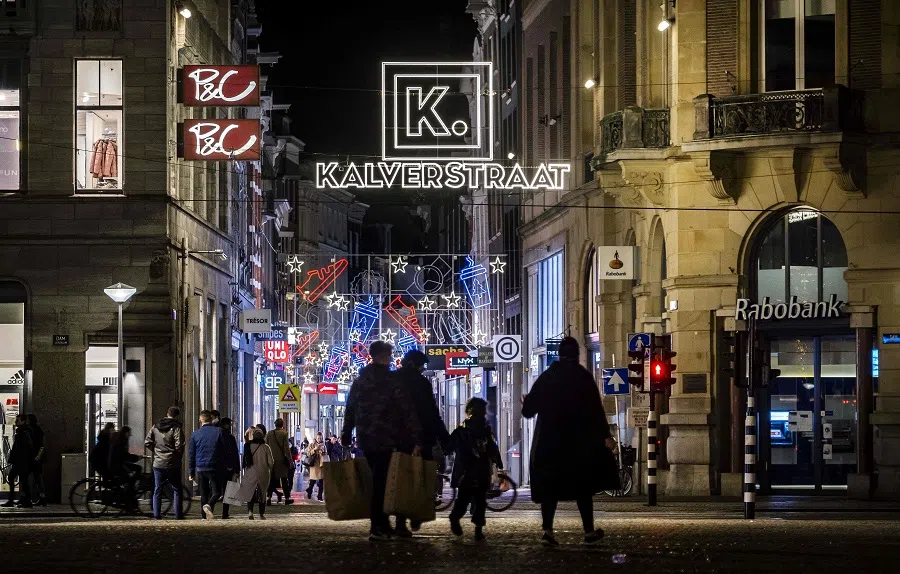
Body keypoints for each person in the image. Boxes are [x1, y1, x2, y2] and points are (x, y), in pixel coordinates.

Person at [522, 337, 619, 547]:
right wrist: (606, 436)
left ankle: (547, 531)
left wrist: (527, 401)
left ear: (559, 354)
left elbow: (528, 411)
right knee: (583, 487)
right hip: (579, 444)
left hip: (550, 443)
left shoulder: (547, 378)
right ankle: (589, 530)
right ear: (576, 355)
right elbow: (596, 410)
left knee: (550, 488)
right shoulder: (583, 377)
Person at [341, 340, 422, 542]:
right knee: (382, 482)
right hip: (387, 438)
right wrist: (414, 437)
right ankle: (377, 526)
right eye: (389, 355)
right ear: (384, 356)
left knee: (379, 480)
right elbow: (406, 410)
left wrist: (346, 432)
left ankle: (382, 525)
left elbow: (350, 408)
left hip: (366, 439)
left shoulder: (361, 381)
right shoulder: (391, 381)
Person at [394, 350, 450, 535]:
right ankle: (416, 515)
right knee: (422, 478)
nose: (422, 369)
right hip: (423, 439)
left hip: (398, 440)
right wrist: (444, 438)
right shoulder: (421, 383)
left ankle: (401, 522)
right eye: (421, 366)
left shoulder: (392, 380)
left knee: (401, 480)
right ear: (413, 364)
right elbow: (431, 413)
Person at [447, 398, 502, 542]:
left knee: (478, 500)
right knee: (469, 498)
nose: (484, 414)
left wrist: (498, 462)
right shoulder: (466, 429)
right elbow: (492, 448)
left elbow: (491, 447)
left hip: (476, 468)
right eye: (483, 411)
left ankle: (475, 527)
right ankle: (461, 521)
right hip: (469, 469)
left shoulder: (480, 428)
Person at [144, 406, 185, 520]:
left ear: (167, 413)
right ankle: (178, 514)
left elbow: (147, 442)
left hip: (158, 463)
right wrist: (176, 456)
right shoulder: (176, 427)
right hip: (172, 463)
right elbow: (179, 445)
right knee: (177, 489)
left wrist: (156, 451)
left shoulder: (155, 426)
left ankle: (156, 514)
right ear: (177, 415)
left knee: (157, 489)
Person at [189, 410, 229, 520]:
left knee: (204, 493)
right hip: (215, 466)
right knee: (217, 492)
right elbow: (225, 449)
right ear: (211, 419)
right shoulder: (219, 431)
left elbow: (192, 454)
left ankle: (204, 516)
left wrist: (191, 471)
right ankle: (209, 506)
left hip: (201, 467)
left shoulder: (195, 434)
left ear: (200, 420)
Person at [2, 414, 34, 508]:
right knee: (21, 480)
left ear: (23, 421)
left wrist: (19, 457)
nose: (16, 422)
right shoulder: (22, 432)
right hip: (21, 461)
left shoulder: (24, 432)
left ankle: (23, 501)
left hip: (21, 461)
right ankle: (23, 500)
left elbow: (25, 447)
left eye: (18, 421)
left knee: (16, 479)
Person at [243, 429, 274, 520]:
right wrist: (269, 469)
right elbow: (271, 462)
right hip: (263, 472)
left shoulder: (249, 446)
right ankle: (261, 514)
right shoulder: (266, 447)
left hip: (251, 471)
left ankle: (250, 512)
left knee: (250, 492)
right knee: (262, 493)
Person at [266, 418, 294, 504]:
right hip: (281, 460)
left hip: (271, 459)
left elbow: (266, 445)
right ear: (282, 425)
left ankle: (268, 498)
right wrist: (290, 460)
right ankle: (287, 498)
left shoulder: (269, 433)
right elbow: (286, 448)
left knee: (271, 479)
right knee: (284, 479)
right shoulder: (284, 433)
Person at [219, 417, 240, 519]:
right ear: (226, 425)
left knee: (218, 490)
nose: (231, 426)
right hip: (228, 468)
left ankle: (208, 509)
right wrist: (237, 469)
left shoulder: (217, 435)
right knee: (228, 490)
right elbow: (234, 454)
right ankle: (225, 512)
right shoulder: (229, 437)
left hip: (218, 467)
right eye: (230, 424)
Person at [27, 414, 47, 506]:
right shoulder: (37, 429)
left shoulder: (34, 430)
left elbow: (40, 445)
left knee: (37, 478)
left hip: (35, 457)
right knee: (37, 478)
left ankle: (41, 497)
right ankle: (41, 497)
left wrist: (37, 458)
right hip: (36, 457)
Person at [305, 432, 328, 501]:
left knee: (321, 482)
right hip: (314, 465)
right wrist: (315, 449)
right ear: (316, 438)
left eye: (320, 438)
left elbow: (326, 454)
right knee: (312, 482)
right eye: (318, 438)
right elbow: (308, 453)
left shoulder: (324, 445)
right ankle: (309, 493)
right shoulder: (311, 445)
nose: (319, 439)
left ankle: (319, 496)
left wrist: (323, 452)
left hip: (321, 465)